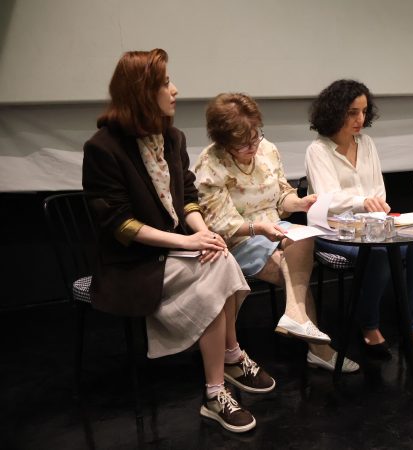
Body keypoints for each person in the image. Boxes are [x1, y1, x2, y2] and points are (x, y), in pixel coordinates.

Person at [82, 49, 275, 434]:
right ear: (142, 92)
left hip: (172, 251)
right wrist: (187, 242)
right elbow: (121, 225)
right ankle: (224, 372)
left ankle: (218, 382)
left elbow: (187, 196)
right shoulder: (103, 148)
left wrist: (201, 233)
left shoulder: (171, 138)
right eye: (166, 83)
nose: (175, 90)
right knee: (216, 274)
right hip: (132, 264)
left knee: (219, 257)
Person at [195, 93, 359, 373]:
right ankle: (316, 347)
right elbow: (219, 224)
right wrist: (259, 228)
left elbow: (281, 197)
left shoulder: (267, 149)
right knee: (292, 269)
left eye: (255, 136)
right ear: (223, 141)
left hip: (274, 228)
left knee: (303, 235)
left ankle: (295, 316)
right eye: (242, 143)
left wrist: (299, 203)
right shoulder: (210, 164)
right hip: (237, 239)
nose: (252, 146)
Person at [305, 79, 413, 360]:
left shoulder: (366, 144)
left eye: (364, 112)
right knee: (378, 254)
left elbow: (378, 191)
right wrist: (362, 202)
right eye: (353, 112)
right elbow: (328, 199)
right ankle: (368, 325)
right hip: (330, 230)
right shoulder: (317, 150)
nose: (360, 119)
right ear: (335, 111)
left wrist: (372, 206)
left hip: (369, 225)